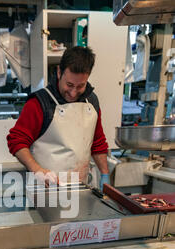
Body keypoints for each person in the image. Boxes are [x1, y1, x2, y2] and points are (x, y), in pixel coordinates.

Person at [6, 46, 110, 190]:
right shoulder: (39, 103)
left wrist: (105, 174)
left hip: (81, 187)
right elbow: (16, 140)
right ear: (59, 72)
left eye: (80, 86)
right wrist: (36, 169)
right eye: (69, 85)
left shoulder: (91, 101)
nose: (73, 93)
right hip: (46, 189)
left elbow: (98, 143)